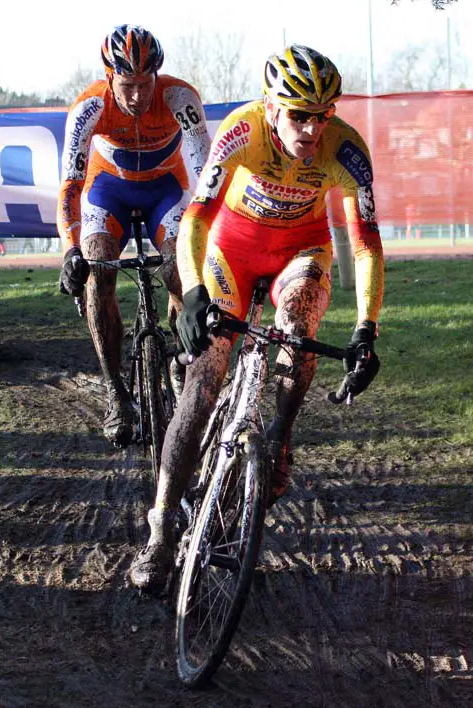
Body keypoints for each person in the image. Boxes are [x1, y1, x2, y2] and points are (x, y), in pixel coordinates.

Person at [128, 45, 385, 592]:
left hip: (302, 251)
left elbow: (365, 246)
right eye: (299, 115)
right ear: (271, 107)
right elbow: (195, 221)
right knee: (203, 381)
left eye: (324, 114)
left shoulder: (347, 151)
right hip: (233, 250)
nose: (313, 130)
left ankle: (280, 436)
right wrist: (195, 291)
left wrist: (367, 327)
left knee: (298, 327)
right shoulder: (241, 132)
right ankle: (160, 531)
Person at [56, 24, 211, 447]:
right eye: (128, 86)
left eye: (146, 83)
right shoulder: (89, 107)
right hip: (109, 191)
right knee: (98, 272)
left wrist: (205, 237)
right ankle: (115, 391)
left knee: (181, 273)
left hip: (166, 189)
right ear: (110, 77)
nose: (139, 96)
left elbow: (205, 176)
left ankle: (181, 359)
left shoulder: (180, 98)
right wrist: (71, 251)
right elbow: (70, 187)